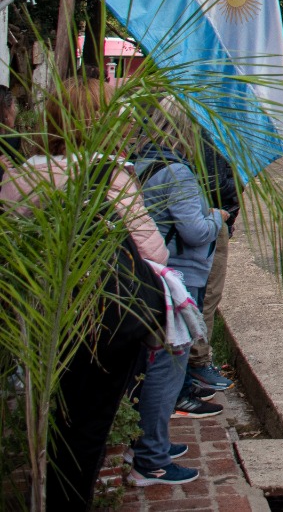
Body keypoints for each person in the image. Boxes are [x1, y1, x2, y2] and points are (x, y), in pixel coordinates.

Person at [1, 81, 171, 503]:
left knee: (46, 418)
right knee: (87, 430)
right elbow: (154, 253)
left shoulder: (22, 177)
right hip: (103, 325)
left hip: (36, 323)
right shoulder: (106, 175)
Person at [129, 99, 231, 483]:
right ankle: (151, 456)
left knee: (150, 365)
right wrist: (216, 216)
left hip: (147, 273)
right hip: (176, 277)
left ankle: (150, 443)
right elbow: (195, 231)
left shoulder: (141, 163)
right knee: (166, 368)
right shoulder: (177, 172)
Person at [184, 136, 239, 394]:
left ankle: (195, 360)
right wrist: (238, 182)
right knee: (206, 294)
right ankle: (197, 362)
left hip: (212, 217)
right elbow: (215, 182)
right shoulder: (209, 132)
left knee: (204, 294)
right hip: (211, 219)